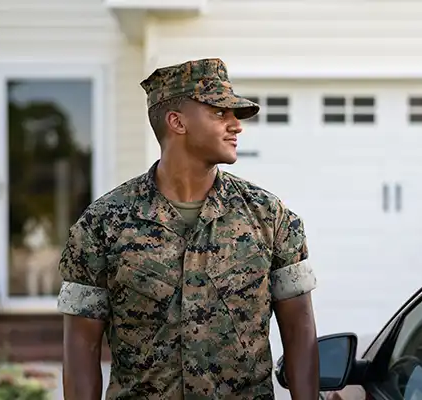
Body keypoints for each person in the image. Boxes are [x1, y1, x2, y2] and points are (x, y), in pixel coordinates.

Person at [57, 58, 320, 400]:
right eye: (219, 113)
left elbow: (300, 331)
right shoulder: (102, 224)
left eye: (234, 115)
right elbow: (81, 345)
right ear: (177, 122)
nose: (236, 126)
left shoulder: (270, 217)